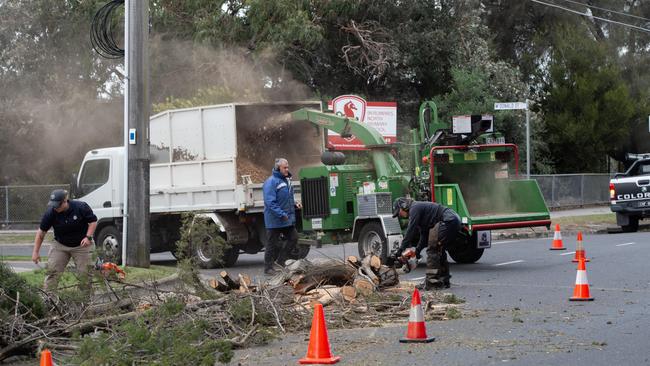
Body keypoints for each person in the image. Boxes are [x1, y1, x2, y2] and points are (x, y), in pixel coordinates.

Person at [32, 189, 97, 292]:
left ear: (65, 201)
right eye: (53, 204)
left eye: (57, 205)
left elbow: (93, 222)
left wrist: (88, 237)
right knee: (52, 274)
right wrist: (35, 252)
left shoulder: (81, 207)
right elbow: (41, 233)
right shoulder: (50, 213)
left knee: (85, 276)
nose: (55, 207)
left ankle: (84, 302)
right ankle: (49, 301)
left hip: (82, 245)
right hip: (60, 245)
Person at [391, 197, 461, 290]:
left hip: (448, 220)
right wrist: (417, 251)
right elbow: (424, 235)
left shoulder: (414, 209)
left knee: (432, 249)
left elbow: (410, 231)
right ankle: (444, 280)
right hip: (453, 219)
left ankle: (432, 282)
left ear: (404, 206)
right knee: (439, 249)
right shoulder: (418, 209)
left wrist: (400, 250)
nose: (400, 215)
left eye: (399, 212)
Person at [262, 158, 301, 275]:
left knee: (294, 238)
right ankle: (268, 268)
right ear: (278, 168)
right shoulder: (271, 182)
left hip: (286, 219)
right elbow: (270, 202)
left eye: (287, 167)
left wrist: (295, 203)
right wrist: (281, 214)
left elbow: (287, 198)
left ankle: (280, 261)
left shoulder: (287, 181)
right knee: (271, 244)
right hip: (275, 219)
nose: (287, 169)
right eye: (285, 167)